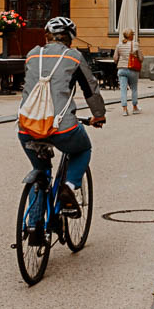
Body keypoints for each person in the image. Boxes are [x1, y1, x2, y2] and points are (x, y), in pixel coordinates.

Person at [17, 17, 106, 246]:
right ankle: (69, 187)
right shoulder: (73, 57)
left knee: (40, 170)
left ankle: (34, 227)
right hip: (61, 127)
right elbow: (90, 89)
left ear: (46, 37)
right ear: (69, 38)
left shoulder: (32, 55)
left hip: (27, 127)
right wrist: (98, 115)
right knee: (83, 149)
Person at [115, 27, 142, 115]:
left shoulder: (119, 45)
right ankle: (134, 108)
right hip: (132, 69)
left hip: (121, 69)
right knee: (134, 89)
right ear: (131, 36)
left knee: (123, 90)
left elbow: (115, 58)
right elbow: (141, 58)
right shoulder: (135, 44)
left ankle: (124, 110)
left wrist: (119, 63)